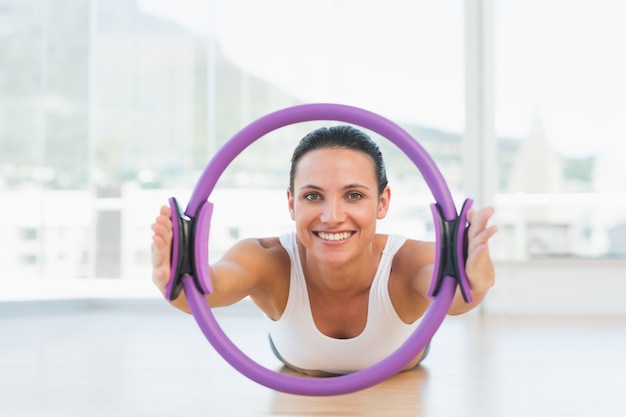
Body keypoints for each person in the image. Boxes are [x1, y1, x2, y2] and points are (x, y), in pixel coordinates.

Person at [151, 125, 497, 376]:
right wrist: (175, 277)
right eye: (313, 196)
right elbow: (205, 290)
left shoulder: (409, 260)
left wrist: (475, 280)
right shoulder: (266, 258)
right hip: (296, 356)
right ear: (291, 203)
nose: (332, 217)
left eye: (354, 195)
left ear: (383, 201)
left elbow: (454, 297)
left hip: (402, 363)